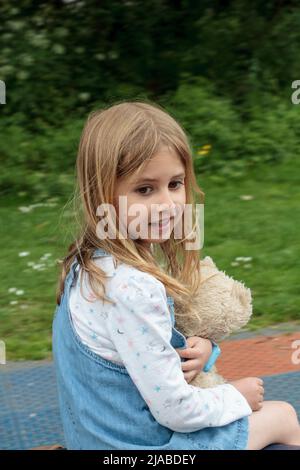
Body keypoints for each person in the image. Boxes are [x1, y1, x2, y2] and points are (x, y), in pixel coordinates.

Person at [52, 100, 300, 450]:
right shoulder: (132, 285)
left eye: (175, 184)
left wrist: (206, 351)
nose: (168, 204)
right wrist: (237, 396)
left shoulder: (87, 263)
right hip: (143, 449)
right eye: (145, 189)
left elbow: (147, 353)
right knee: (283, 415)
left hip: (95, 441)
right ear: (101, 193)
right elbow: (176, 410)